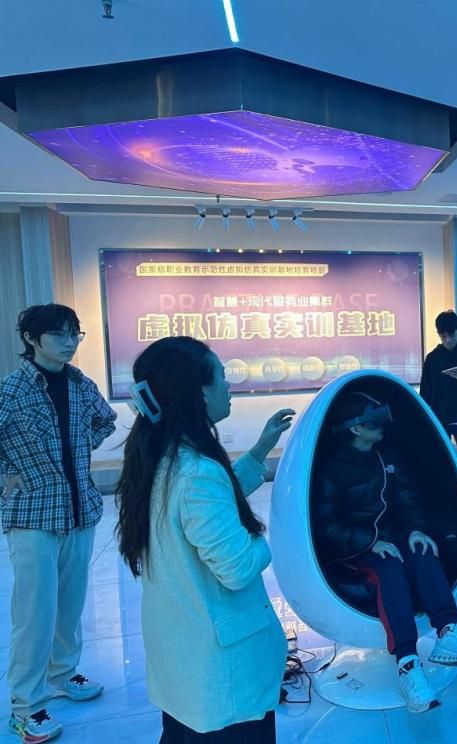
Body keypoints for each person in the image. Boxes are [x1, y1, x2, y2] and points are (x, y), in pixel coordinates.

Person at [115, 336, 295, 742]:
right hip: (222, 671)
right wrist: (273, 539)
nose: (228, 385)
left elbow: (208, 506)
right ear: (198, 392)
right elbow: (238, 567)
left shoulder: (160, 456)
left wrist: (261, 448)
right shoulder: (197, 471)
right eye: (221, 377)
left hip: (183, 657)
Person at [312, 392, 457, 713]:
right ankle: (408, 665)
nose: (382, 425)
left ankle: (448, 631)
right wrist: (369, 542)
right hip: (354, 550)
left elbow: (407, 497)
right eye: (373, 421)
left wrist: (417, 528)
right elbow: (326, 526)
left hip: (393, 537)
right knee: (389, 568)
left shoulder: (385, 457)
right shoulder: (331, 470)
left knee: (423, 551)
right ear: (355, 429)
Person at [1, 304, 117, 744]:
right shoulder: (12, 389)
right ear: (31, 339)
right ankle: (25, 704)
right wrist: (7, 473)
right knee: (35, 612)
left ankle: (63, 673)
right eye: (59, 334)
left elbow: (105, 419)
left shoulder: (78, 383)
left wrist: (78, 444)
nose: (69, 343)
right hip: (33, 513)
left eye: (75, 334)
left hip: (79, 509)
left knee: (69, 603)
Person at [419, 310, 457, 484]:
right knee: (438, 463)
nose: (448, 340)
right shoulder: (432, 358)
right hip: (439, 419)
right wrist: (425, 418)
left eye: (451, 335)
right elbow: (425, 392)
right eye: (443, 336)